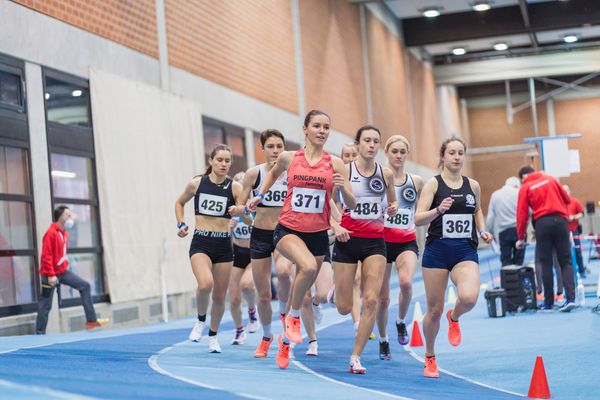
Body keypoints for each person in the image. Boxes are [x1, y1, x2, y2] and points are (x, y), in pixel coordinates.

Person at [248, 110, 355, 369]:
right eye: (316, 126)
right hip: (287, 230)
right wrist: (260, 195)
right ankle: (293, 316)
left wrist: (341, 188)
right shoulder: (288, 158)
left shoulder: (336, 163)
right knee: (306, 267)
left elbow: (351, 204)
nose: (322, 130)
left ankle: (286, 342)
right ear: (305, 129)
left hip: (317, 235)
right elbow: (273, 175)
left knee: (308, 288)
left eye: (326, 127)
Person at [415, 138, 493, 378]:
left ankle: (455, 316)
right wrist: (438, 210)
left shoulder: (473, 185)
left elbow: (477, 209)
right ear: (443, 156)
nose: (457, 157)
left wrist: (482, 230)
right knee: (434, 310)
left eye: (461, 153)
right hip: (437, 251)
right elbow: (418, 219)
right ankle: (429, 356)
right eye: (452, 153)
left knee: (469, 298)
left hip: (464, 251)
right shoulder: (433, 185)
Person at [331, 125, 398, 374]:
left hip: (374, 241)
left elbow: (393, 200)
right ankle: (337, 292)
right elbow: (327, 199)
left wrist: (392, 208)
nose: (371, 145)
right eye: (367, 140)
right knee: (344, 306)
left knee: (371, 300)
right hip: (347, 240)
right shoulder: (344, 170)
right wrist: (336, 223)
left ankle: (356, 357)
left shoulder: (386, 173)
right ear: (357, 143)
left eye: (375, 141)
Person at [175, 144, 246, 353]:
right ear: (211, 161)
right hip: (201, 243)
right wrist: (180, 223)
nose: (224, 164)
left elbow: (250, 219)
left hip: (224, 246)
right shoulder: (197, 184)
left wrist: (240, 211)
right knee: (205, 284)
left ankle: (213, 336)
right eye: (220, 160)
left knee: (218, 296)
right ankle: (200, 320)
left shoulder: (235, 188)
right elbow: (179, 203)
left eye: (227, 161)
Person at [237, 129, 294, 359]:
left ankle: (284, 316)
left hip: (284, 232)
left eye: (279, 146)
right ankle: (267, 336)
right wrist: (246, 210)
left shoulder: (291, 173)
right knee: (262, 295)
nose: (276, 151)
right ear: (263, 149)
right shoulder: (254, 174)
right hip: (259, 234)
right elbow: (239, 207)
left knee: (282, 273)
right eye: (271, 146)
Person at [377, 135, 423, 360]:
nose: (398, 156)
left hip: (406, 240)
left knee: (406, 283)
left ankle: (401, 321)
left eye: (402, 152)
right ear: (386, 152)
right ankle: (384, 339)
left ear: (407, 154)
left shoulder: (416, 181)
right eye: (394, 151)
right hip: (381, 242)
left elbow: (424, 210)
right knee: (383, 299)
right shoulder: (378, 179)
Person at [35, 206, 108, 334]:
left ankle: (91, 321)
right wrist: (51, 275)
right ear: (61, 217)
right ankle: (39, 333)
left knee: (84, 286)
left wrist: (65, 264)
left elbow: (61, 254)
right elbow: (46, 256)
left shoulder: (64, 233)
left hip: (62, 272)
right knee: (46, 305)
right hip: (49, 274)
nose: (70, 217)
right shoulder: (50, 233)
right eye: (68, 215)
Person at [515, 165, 576, 312]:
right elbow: (567, 199)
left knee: (546, 263)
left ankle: (548, 303)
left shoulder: (525, 187)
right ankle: (570, 299)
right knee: (565, 261)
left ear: (523, 178)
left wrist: (521, 237)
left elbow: (522, 215)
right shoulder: (551, 179)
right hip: (561, 222)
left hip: (542, 224)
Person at [228, 172, 259, 345]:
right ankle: (239, 330)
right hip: (236, 252)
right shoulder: (230, 209)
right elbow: (222, 234)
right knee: (233, 298)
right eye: (236, 182)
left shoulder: (254, 205)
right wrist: (228, 227)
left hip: (254, 252)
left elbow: (256, 225)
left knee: (246, 284)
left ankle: (252, 312)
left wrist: (245, 216)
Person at [486, 176, 524, 266]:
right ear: (516, 185)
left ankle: (507, 279)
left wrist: (490, 233)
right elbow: (528, 212)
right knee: (519, 262)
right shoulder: (519, 193)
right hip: (519, 231)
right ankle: (518, 279)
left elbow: (490, 218)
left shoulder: (495, 195)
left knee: (506, 262)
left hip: (503, 232)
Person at [563, 185, 586, 278]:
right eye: (563, 191)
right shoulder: (559, 203)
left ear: (569, 191)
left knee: (577, 251)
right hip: (563, 231)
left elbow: (582, 213)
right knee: (565, 253)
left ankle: (581, 271)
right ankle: (567, 273)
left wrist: (573, 217)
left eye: (567, 190)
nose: (565, 192)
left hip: (574, 230)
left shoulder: (575, 201)